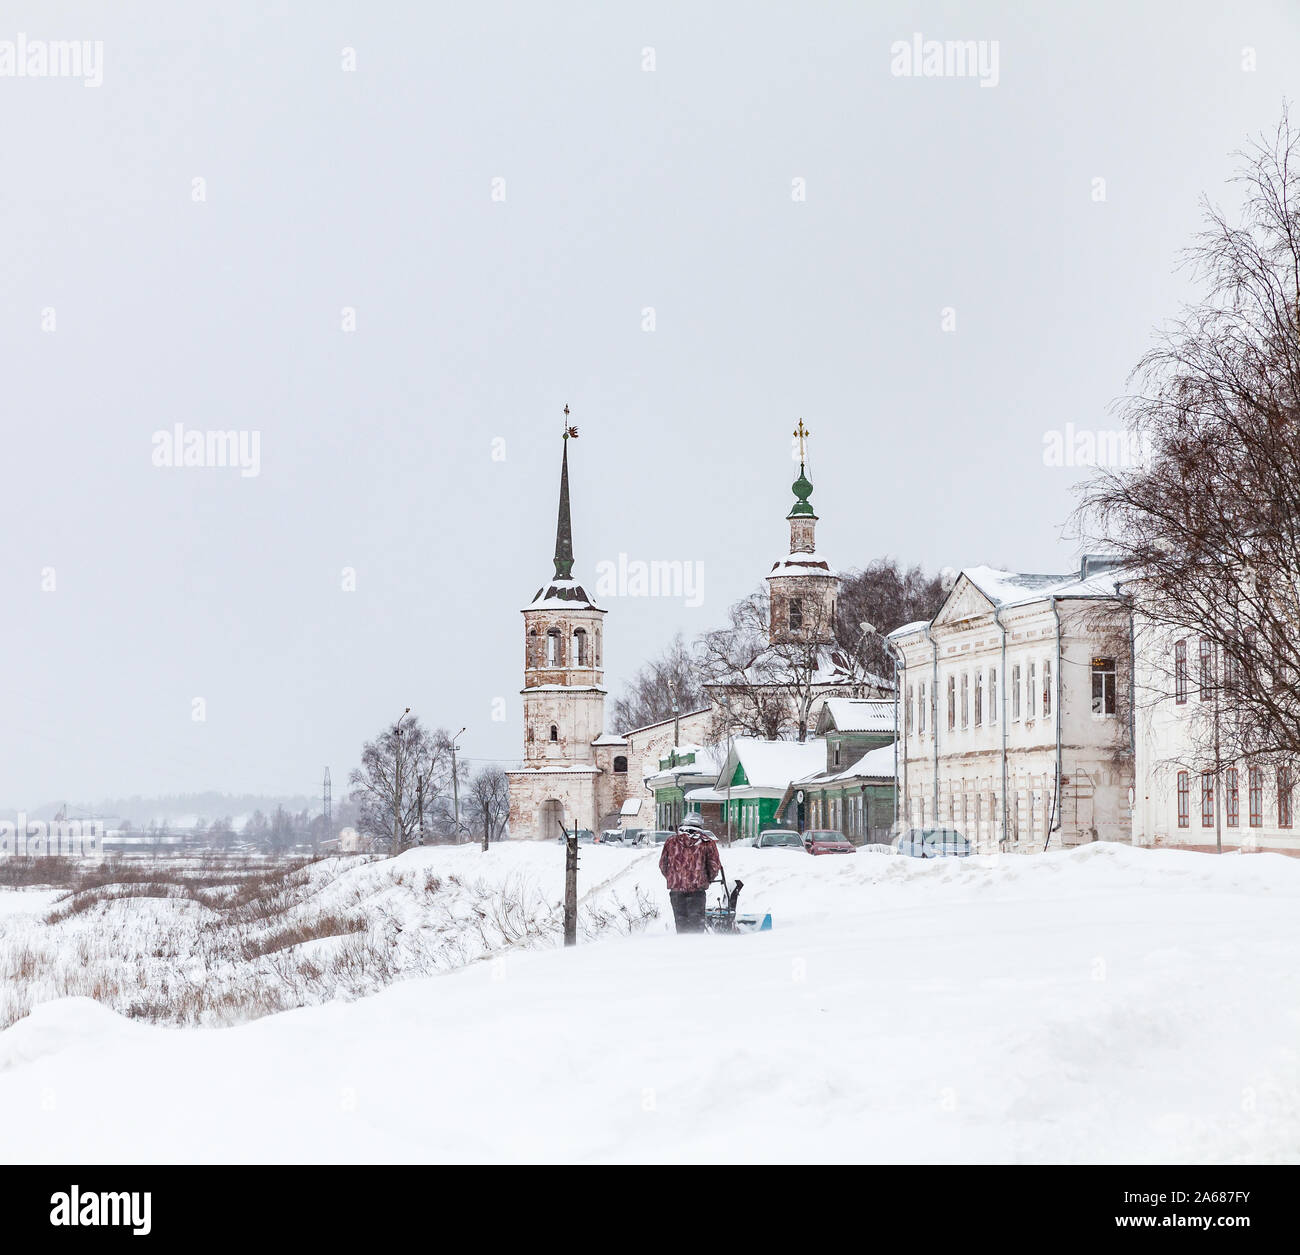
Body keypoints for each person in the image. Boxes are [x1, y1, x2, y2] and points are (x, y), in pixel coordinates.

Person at [658, 812, 722, 933]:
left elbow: (663, 864)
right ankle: (695, 949)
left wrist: (674, 878)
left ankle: (682, 948)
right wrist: (706, 879)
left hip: (676, 891)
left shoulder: (671, 842)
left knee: (681, 923)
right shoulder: (707, 842)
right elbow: (714, 866)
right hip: (697, 891)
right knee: (697, 925)